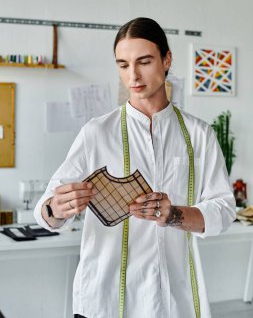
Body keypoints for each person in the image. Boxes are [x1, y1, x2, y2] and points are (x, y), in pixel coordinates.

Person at [34, 17, 236, 318]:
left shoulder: (199, 135)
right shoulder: (97, 133)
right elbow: (45, 210)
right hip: (105, 297)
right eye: (123, 65)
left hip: (172, 298)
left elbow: (225, 209)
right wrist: (55, 208)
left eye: (144, 61)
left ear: (166, 60)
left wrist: (174, 215)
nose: (134, 75)